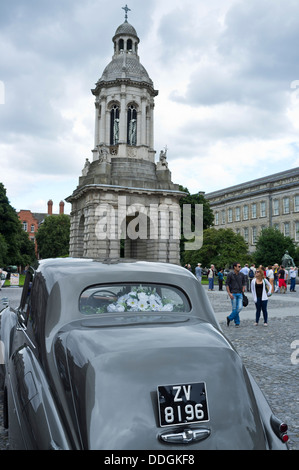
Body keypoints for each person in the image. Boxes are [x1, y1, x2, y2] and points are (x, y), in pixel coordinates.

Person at [226, 262, 246, 327]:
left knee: (239, 307)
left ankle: (229, 317)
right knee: (234, 308)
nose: (240, 267)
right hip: (233, 293)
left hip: (240, 293)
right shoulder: (230, 274)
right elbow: (227, 284)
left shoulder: (242, 275)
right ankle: (237, 322)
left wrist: (243, 291)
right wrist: (229, 293)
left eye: (240, 266)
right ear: (234, 267)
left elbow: (244, 284)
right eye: (239, 266)